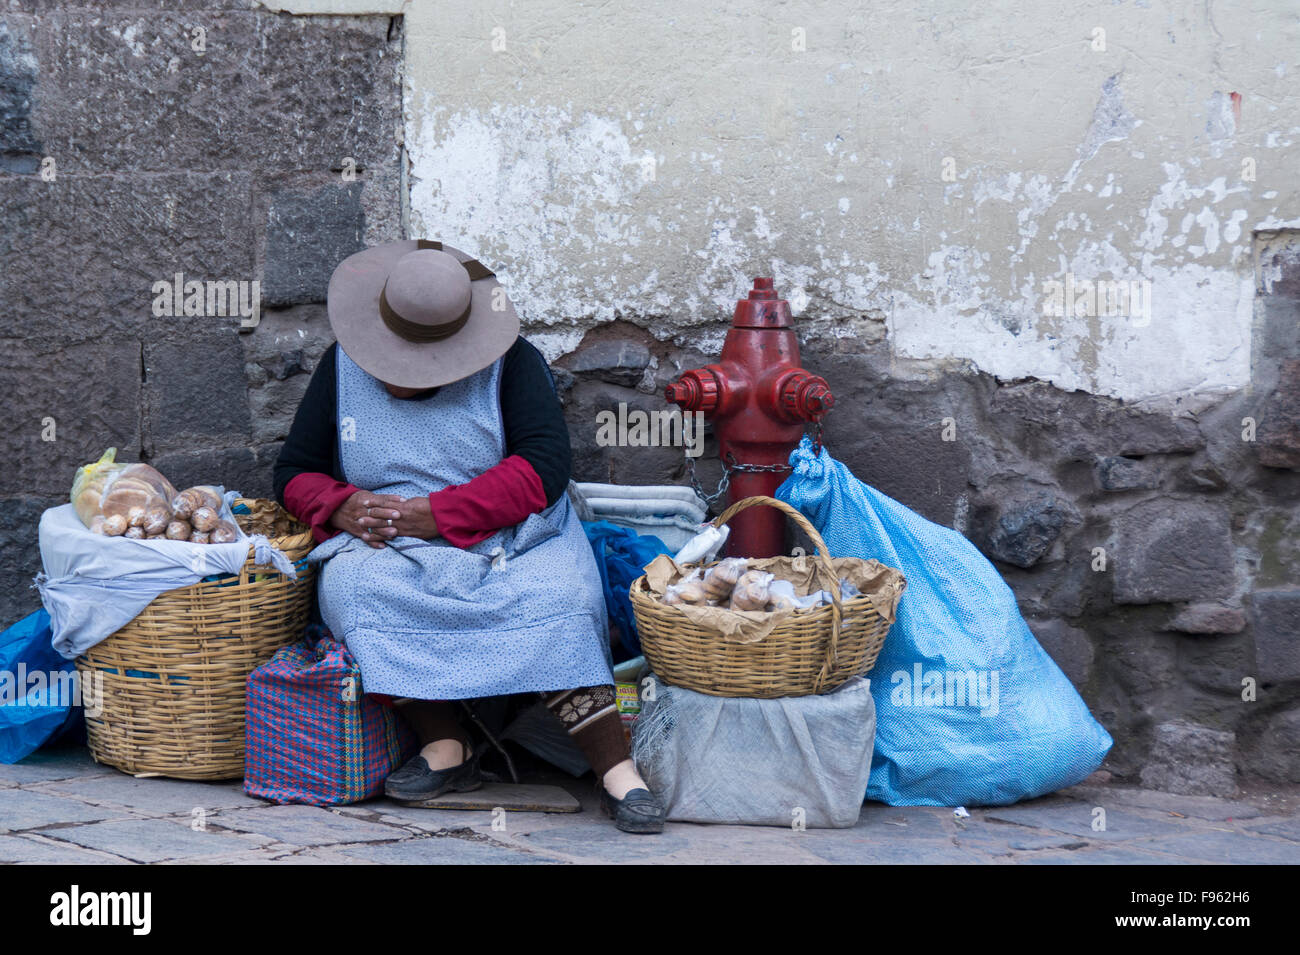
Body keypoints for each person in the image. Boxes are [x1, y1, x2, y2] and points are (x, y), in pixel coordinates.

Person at [273, 239, 664, 834]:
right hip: (389, 547)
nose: (395, 376)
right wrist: (342, 505)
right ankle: (445, 744)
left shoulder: (513, 363)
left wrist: (442, 513)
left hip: (515, 539)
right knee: (354, 591)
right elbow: (293, 472)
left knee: (559, 600)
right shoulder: (340, 363)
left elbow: (543, 467)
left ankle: (615, 770)